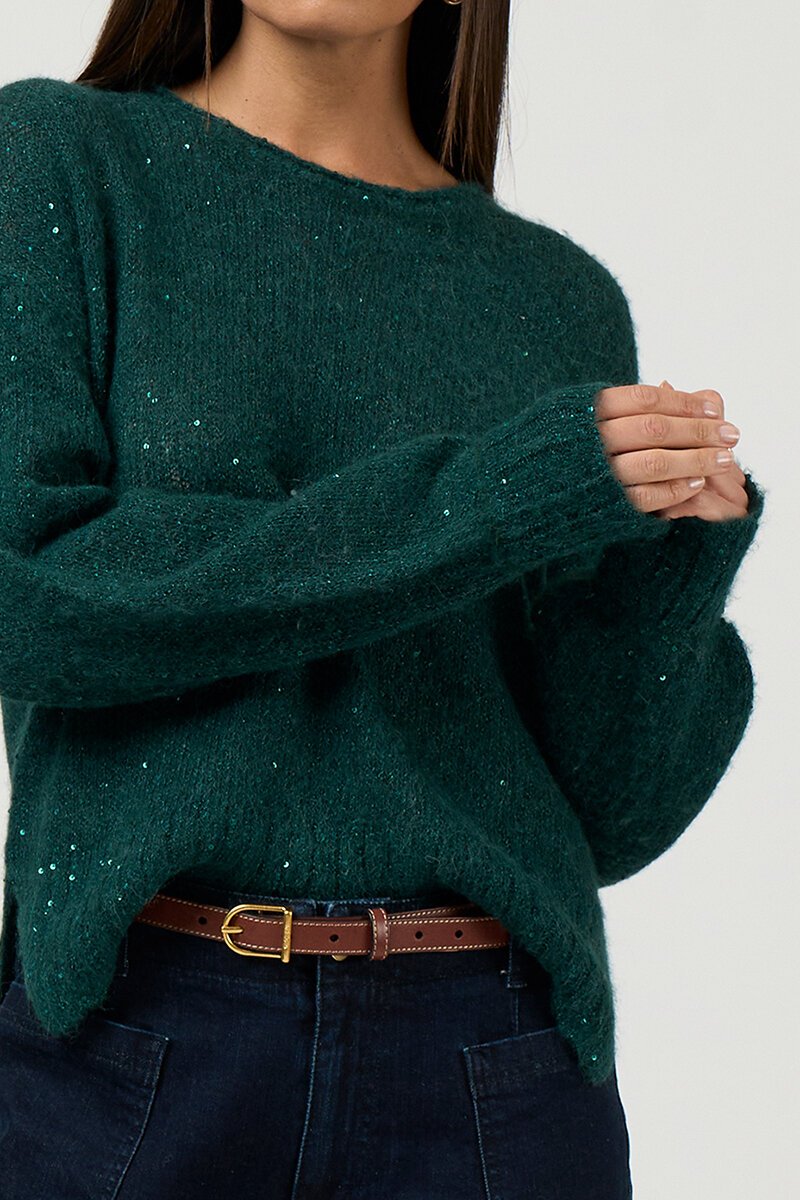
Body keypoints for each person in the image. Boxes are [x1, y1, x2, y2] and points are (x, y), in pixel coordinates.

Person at [0, 1, 766, 1196]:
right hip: (139, 1040)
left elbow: (607, 818)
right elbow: (33, 596)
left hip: (492, 1058)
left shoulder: (556, 298)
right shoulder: (59, 161)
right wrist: (488, 502)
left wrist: (666, 580)